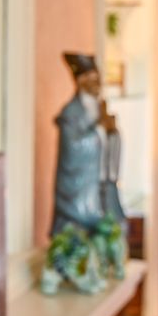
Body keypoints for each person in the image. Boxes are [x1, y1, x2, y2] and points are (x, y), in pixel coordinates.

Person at [51, 52, 126, 235]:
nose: (96, 83)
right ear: (80, 81)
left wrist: (112, 133)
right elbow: (74, 148)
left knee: (116, 226)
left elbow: (109, 141)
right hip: (81, 192)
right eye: (90, 78)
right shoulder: (71, 113)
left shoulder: (99, 107)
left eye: (96, 78)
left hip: (102, 186)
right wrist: (99, 130)